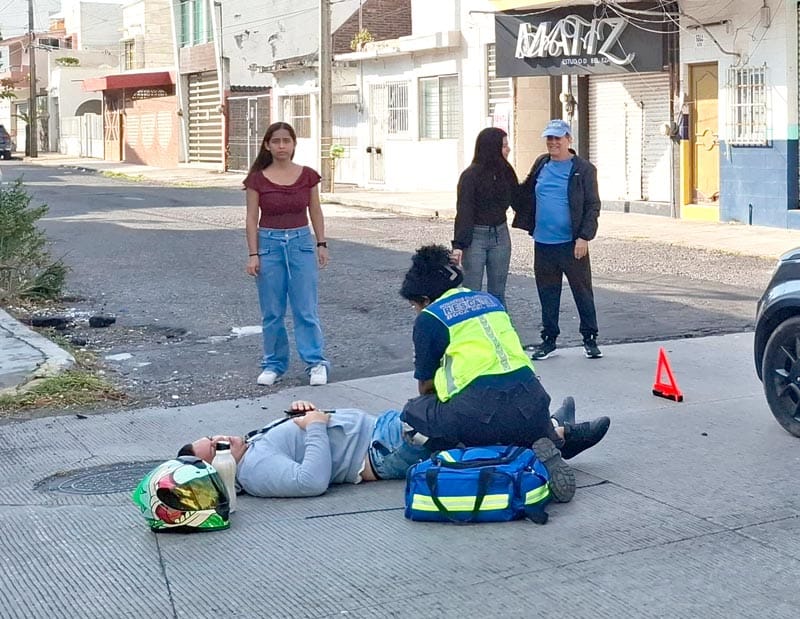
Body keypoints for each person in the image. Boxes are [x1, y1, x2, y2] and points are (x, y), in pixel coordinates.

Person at [399, 244, 610, 502]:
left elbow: (425, 387)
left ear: (425, 299)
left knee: (412, 414)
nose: (416, 311)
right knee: (509, 418)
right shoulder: (491, 301)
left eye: (415, 305)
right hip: (533, 400)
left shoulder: (430, 318)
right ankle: (554, 434)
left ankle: (484, 455)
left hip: (478, 411)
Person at [177, 400, 432, 497]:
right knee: (452, 415)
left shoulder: (250, 450)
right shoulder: (254, 470)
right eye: (216, 448)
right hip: (383, 448)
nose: (221, 438)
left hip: (381, 432)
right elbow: (310, 482)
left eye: (212, 437)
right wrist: (315, 426)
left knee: (456, 413)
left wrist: (305, 414)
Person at [244, 122, 330, 387]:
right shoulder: (256, 179)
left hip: (301, 243)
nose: (281, 146)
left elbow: (315, 211)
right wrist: (253, 254)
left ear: (294, 144)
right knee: (272, 311)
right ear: (267, 145)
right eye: (276, 141)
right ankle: (273, 364)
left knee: (305, 308)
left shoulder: (308, 176)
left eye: (286, 141)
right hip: (269, 244)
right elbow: (250, 218)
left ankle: (315, 363)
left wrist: (321, 243)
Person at [512, 119, 602, 360]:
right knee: (548, 293)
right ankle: (549, 340)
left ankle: (590, 338)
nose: (552, 143)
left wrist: (584, 237)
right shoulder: (542, 163)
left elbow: (593, 206)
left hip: (572, 244)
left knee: (582, 291)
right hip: (544, 243)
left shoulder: (583, 169)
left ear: (568, 140)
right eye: (549, 138)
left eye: (557, 138)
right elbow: (525, 190)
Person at [451, 127, 518, 307]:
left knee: (497, 292)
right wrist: (459, 245)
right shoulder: (470, 176)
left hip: (500, 234)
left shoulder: (506, 171)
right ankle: (470, 329)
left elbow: (519, 198)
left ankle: (499, 330)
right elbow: (464, 210)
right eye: (504, 146)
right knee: (471, 290)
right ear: (492, 147)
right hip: (476, 237)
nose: (508, 149)